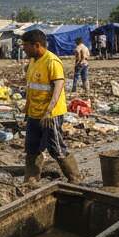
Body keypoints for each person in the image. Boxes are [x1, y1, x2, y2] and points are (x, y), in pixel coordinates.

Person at [22, 29, 82, 183]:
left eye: (26, 45)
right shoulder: (33, 61)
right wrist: (27, 108)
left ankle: (75, 178)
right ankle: (31, 180)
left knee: (56, 148)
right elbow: (31, 87)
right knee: (31, 148)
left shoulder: (52, 61)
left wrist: (49, 110)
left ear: (36, 45)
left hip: (51, 114)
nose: (23, 49)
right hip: (34, 114)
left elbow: (58, 86)